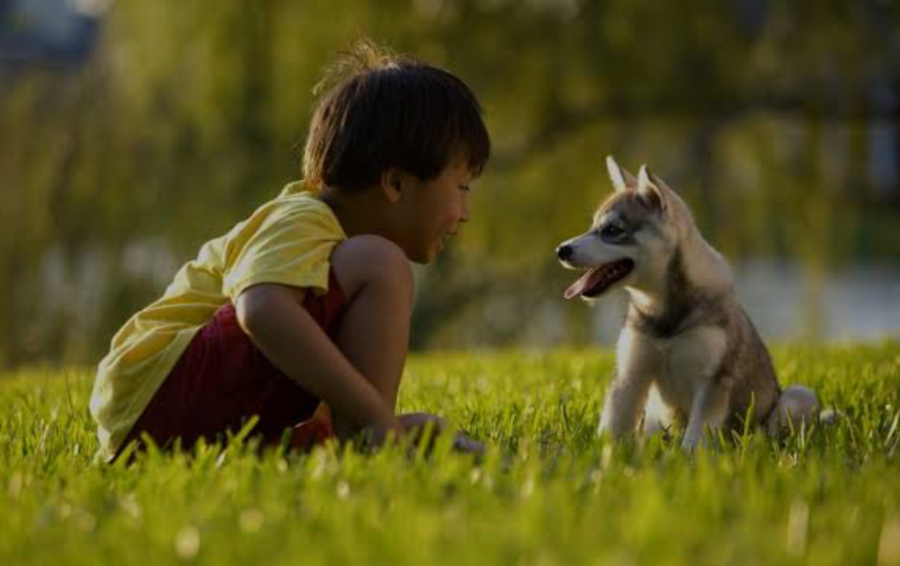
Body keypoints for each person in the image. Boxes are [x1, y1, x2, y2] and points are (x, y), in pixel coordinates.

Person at [89, 39, 490, 463]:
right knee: (382, 263)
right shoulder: (303, 217)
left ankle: (358, 440)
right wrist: (378, 418)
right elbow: (260, 310)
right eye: (461, 188)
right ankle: (373, 437)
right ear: (394, 183)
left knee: (366, 275)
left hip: (164, 421)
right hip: (157, 394)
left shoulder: (333, 260)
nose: (465, 213)